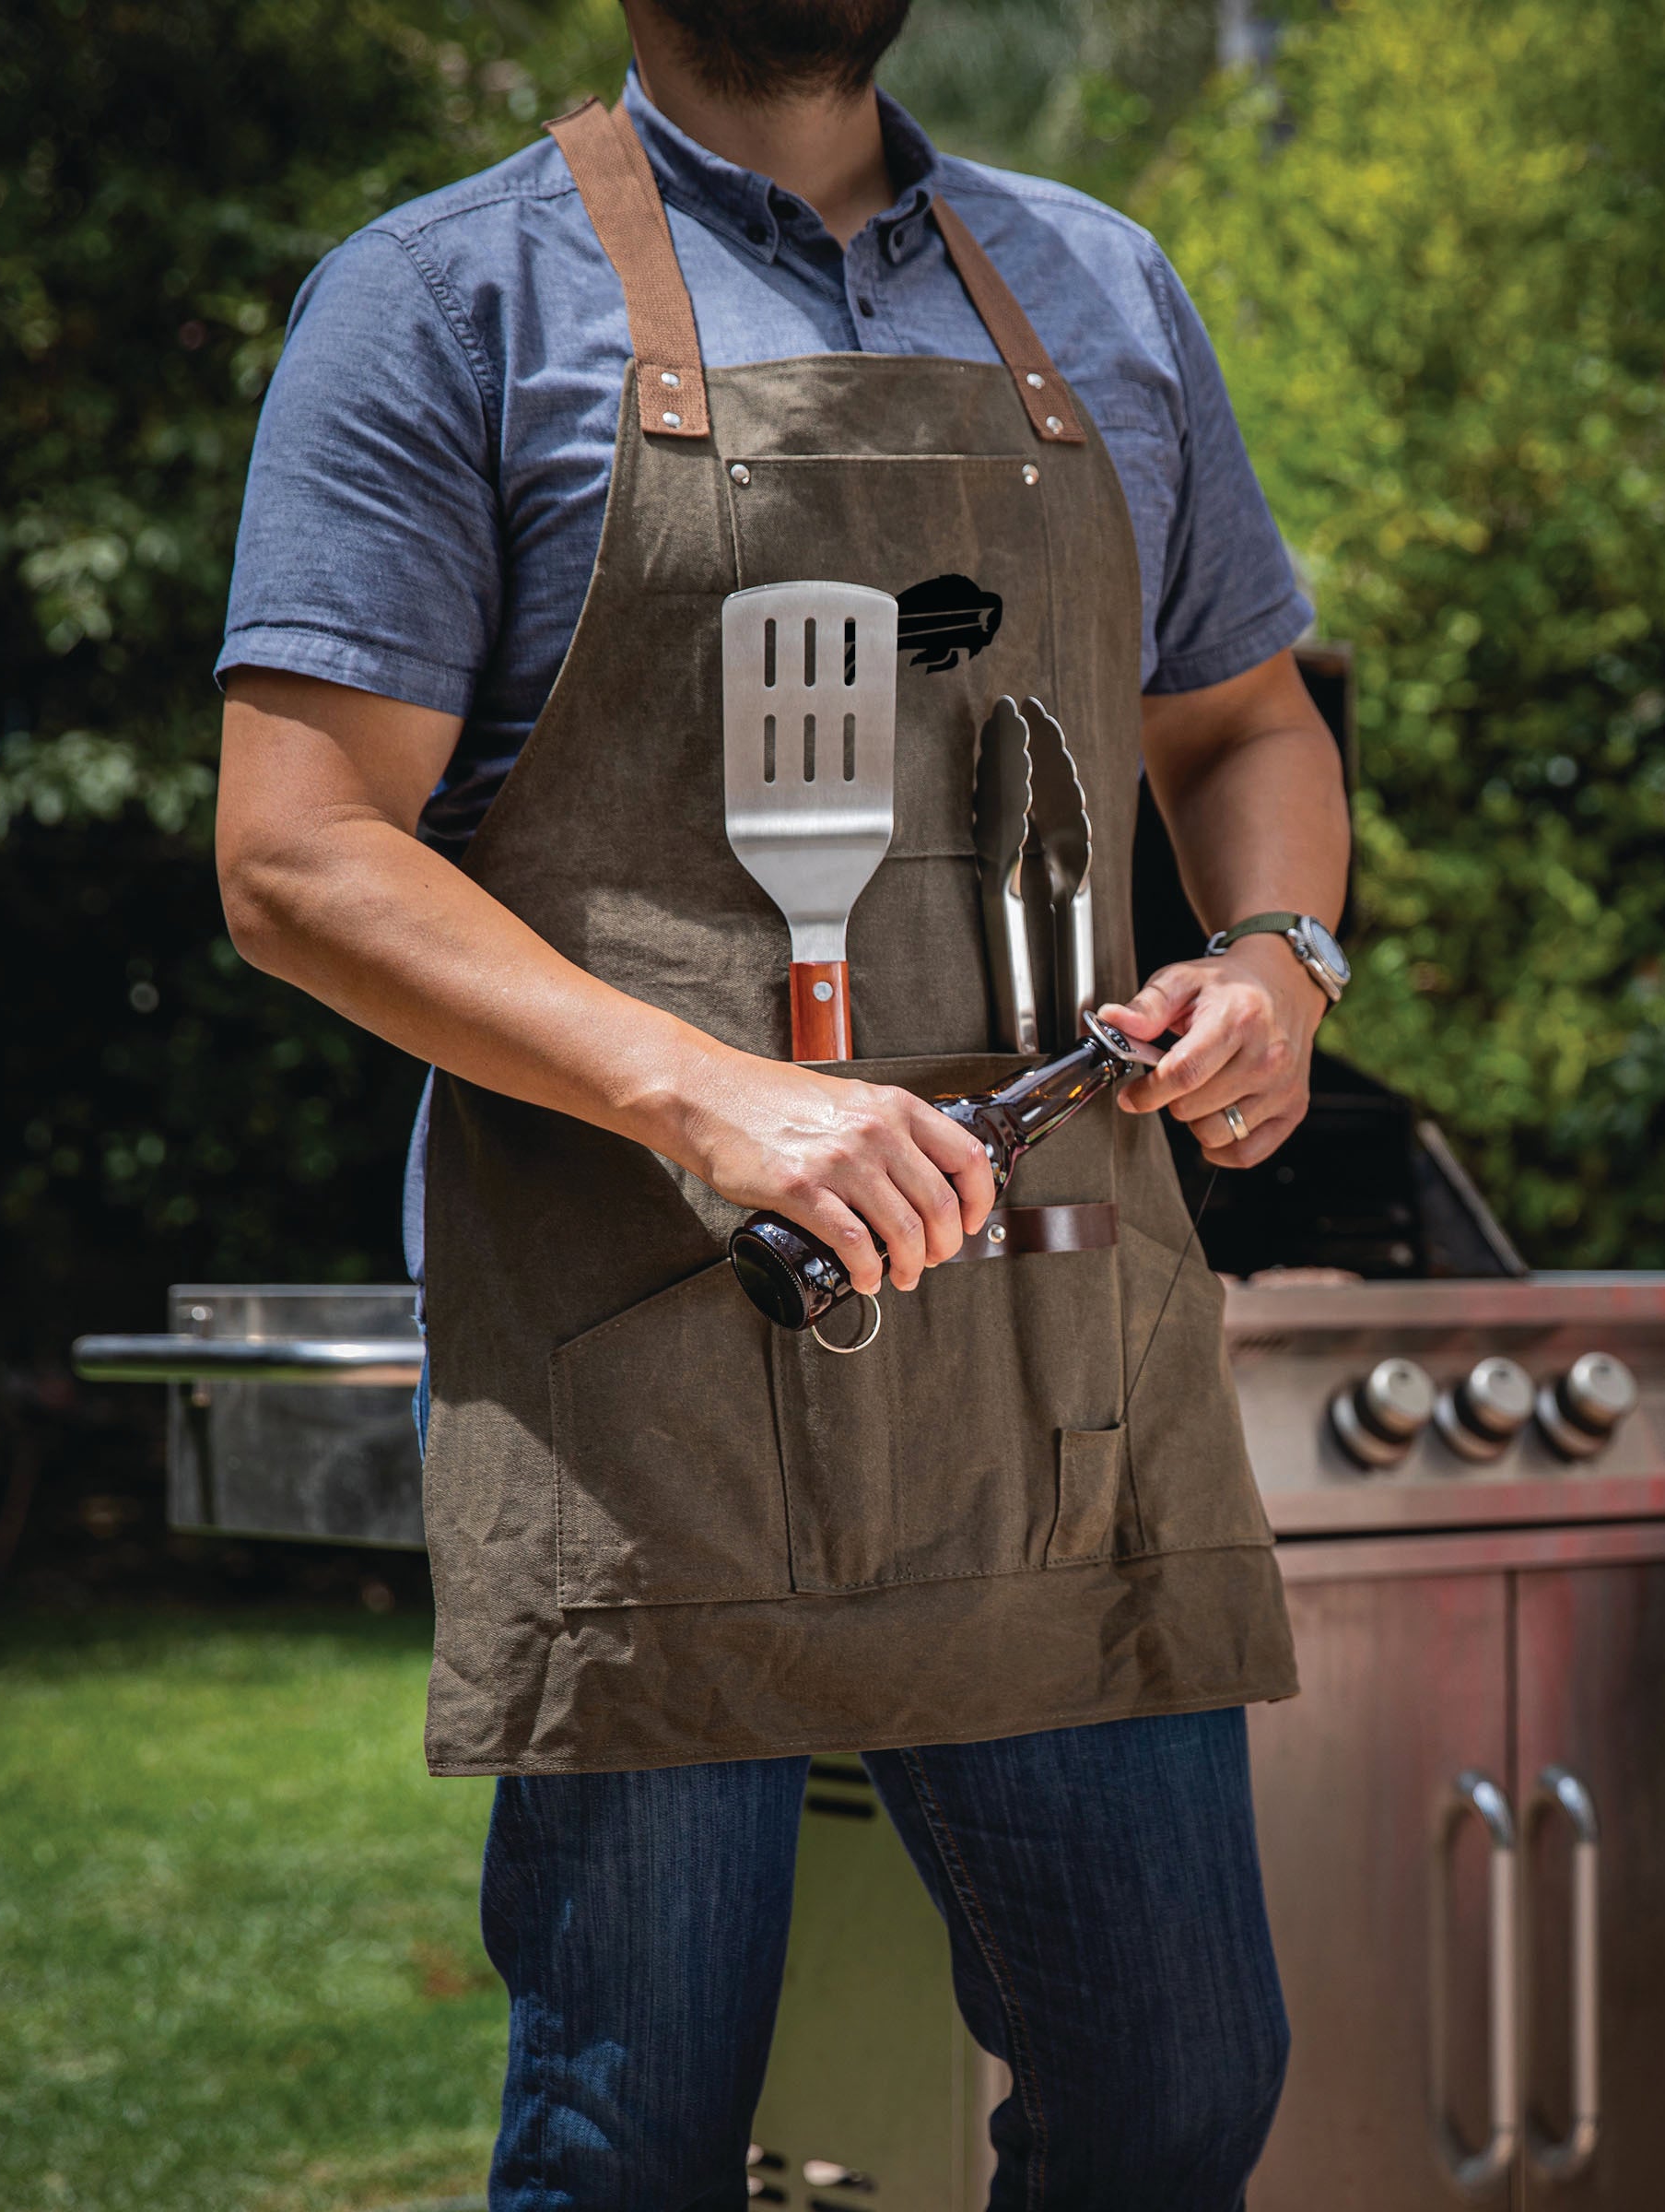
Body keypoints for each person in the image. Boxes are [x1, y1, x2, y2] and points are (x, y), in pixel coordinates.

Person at [212, 0, 1351, 2199]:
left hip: (1051, 1354)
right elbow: (299, 853)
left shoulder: (1103, 285)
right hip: (652, 1356)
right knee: (633, 2133)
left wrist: (1279, 958)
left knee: (1176, 2093)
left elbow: (1245, 730)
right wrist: (712, 1097)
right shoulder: (446, 298)